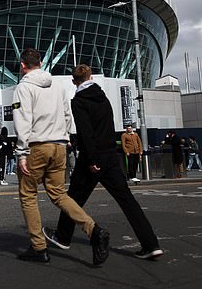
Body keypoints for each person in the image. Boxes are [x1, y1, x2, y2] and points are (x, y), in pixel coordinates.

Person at [43, 64, 163, 260]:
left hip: (92, 158)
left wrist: (91, 159)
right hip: (111, 157)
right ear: (91, 77)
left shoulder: (79, 101)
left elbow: (86, 133)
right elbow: (106, 127)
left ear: (74, 81)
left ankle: (63, 236)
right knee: (127, 201)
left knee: (73, 198)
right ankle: (151, 244)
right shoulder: (103, 97)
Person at [12, 49, 109, 265]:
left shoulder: (24, 87)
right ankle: (93, 229)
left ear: (22, 65)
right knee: (58, 194)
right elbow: (67, 114)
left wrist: (21, 153)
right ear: (40, 62)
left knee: (28, 195)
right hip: (59, 146)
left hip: (37, 146)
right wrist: (63, 138)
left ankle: (38, 247)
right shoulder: (57, 85)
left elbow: (23, 120)